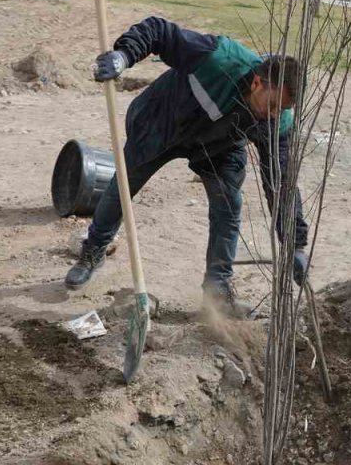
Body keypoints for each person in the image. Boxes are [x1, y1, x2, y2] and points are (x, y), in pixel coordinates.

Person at [66, 16, 311, 318]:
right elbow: (159, 32)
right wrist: (123, 55)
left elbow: (282, 182)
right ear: (258, 82)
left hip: (219, 145)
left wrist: (295, 244)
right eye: (273, 105)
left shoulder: (277, 122)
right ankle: (93, 250)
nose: (275, 114)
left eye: (283, 110)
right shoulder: (218, 57)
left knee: (228, 206)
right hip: (163, 123)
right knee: (123, 187)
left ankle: (217, 291)